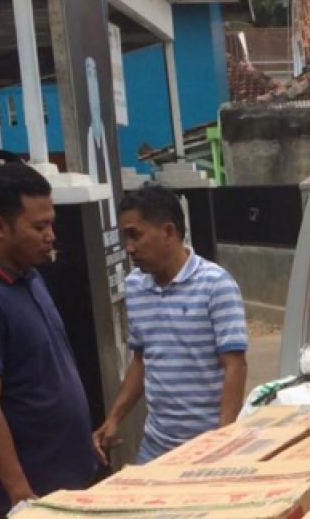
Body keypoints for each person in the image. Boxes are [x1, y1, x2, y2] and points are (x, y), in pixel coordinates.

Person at [0, 163, 95, 518]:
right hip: (29, 496)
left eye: (51, 224)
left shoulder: (30, 277)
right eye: (39, 226)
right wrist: (19, 493)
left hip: (69, 479)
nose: (51, 235)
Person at [92, 185, 248, 464]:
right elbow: (141, 360)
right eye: (125, 237)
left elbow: (234, 365)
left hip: (207, 449)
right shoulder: (136, 286)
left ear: (168, 232)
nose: (129, 248)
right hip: (155, 447)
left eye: (135, 235)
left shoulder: (216, 284)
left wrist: (224, 438)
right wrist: (114, 418)